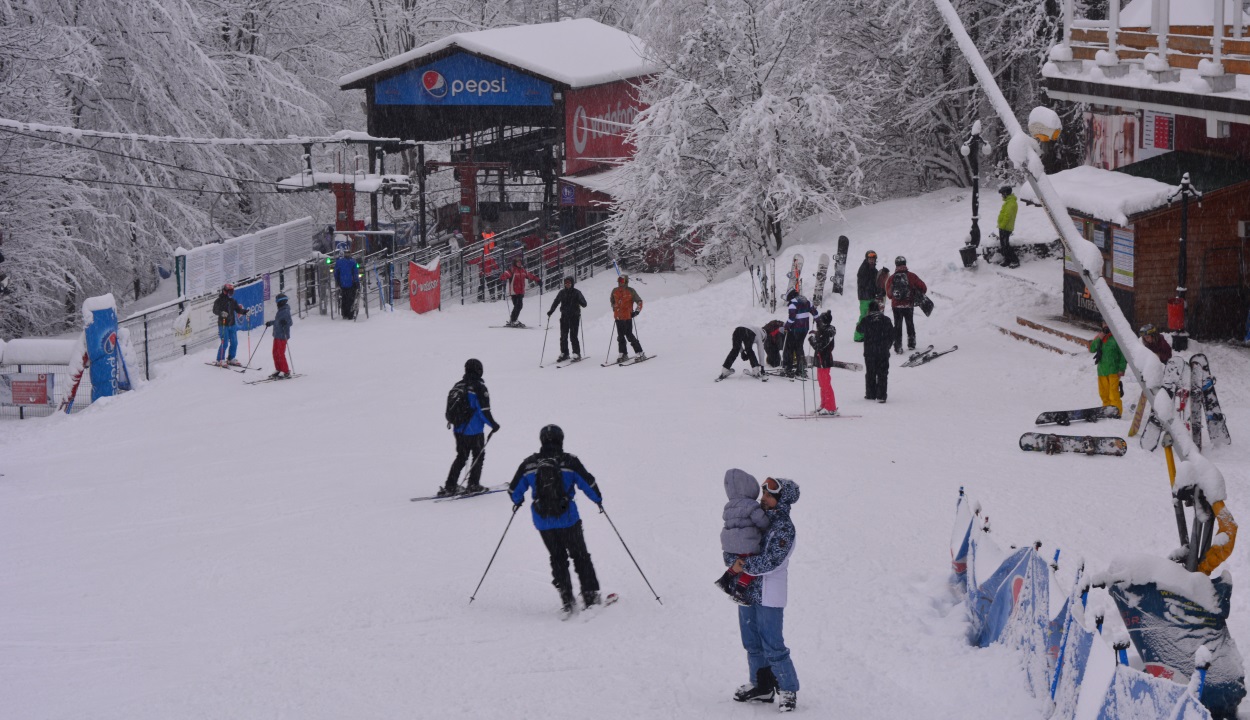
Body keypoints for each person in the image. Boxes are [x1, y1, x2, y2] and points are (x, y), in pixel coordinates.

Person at [508, 424, 604, 616]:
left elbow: (513, 490)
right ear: (561, 440)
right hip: (568, 518)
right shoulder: (570, 461)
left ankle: (567, 599)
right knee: (580, 556)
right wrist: (598, 500)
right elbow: (588, 483)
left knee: (557, 557)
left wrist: (518, 501)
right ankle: (590, 595)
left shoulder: (529, 464)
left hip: (543, 521)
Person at [728, 476, 801, 712]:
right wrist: (733, 559)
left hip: (770, 593)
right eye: (763, 492)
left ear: (781, 500)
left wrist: (743, 565)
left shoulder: (784, 528)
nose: (763, 498)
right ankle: (761, 685)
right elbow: (738, 543)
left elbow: (772, 561)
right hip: (747, 590)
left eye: (769, 494)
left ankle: (787, 689)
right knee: (751, 642)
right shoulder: (756, 520)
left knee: (772, 644)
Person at [439, 358, 500, 497]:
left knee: (461, 456)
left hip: (458, 429)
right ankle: (473, 484)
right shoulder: (479, 387)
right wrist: (494, 425)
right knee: (478, 456)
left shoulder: (458, 385)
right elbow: (483, 411)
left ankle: (450, 485)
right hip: (474, 430)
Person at [716, 468, 771, 604]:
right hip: (746, 541)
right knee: (749, 565)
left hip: (730, 542)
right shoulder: (751, 505)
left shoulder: (728, 505)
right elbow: (761, 521)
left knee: (739, 561)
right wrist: (767, 526)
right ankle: (739, 591)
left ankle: (725, 579)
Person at [885, 256, 927, 354]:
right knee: (910, 324)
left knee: (898, 326)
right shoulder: (912, 276)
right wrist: (916, 293)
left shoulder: (891, 278)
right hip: (908, 305)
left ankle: (898, 347)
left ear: (896, 264)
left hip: (896, 306)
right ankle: (911, 344)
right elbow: (923, 288)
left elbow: (889, 295)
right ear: (905, 263)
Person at [856, 301, 894, 403]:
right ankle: (881, 395)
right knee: (883, 373)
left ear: (869, 310)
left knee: (870, 373)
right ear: (879, 309)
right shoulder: (886, 320)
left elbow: (859, 329)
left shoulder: (866, 320)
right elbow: (892, 335)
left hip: (870, 352)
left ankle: (870, 394)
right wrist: (887, 346)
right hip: (883, 352)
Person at [1089, 323, 1127, 414]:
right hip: (1102, 371)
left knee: (1113, 394)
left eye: (1107, 323)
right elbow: (1092, 349)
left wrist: (1122, 368)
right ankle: (1106, 412)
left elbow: (1123, 355)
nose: (1106, 325)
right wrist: (1099, 338)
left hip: (1113, 371)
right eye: (1104, 323)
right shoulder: (1099, 337)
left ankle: (1116, 412)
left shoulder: (1117, 337)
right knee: (1104, 394)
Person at [548, 275, 587, 361]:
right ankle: (564, 353)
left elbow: (584, 303)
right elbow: (556, 302)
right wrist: (551, 311)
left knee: (573, 336)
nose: (567, 284)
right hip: (564, 317)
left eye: (569, 283)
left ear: (572, 283)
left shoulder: (577, 292)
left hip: (574, 317)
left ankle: (576, 353)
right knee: (563, 336)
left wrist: (580, 301)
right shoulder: (562, 293)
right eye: (566, 283)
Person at [808, 311, 839, 415]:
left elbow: (820, 346)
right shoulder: (824, 331)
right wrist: (815, 334)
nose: (818, 323)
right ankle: (824, 404)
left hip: (824, 360)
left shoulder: (828, 331)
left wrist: (812, 340)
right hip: (820, 360)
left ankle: (831, 407)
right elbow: (821, 340)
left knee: (826, 384)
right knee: (822, 384)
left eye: (820, 321)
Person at [211, 283, 249, 367]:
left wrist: (245, 311)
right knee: (224, 343)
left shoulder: (233, 301)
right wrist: (221, 313)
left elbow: (238, 310)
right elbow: (214, 310)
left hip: (232, 324)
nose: (231, 294)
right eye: (230, 292)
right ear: (225, 291)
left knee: (234, 342)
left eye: (232, 292)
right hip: (223, 325)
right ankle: (220, 359)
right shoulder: (219, 301)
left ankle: (231, 358)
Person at [609, 275, 645, 363]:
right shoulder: (615, 290)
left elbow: (639, 301)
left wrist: (636, 311)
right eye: (619, 280)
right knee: (620, 337)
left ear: (625, 281)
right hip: (618, 317)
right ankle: (623, 353)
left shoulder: (631, 291)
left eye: (622, 281)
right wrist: (615, 308)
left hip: (627, 317)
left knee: (629, 335)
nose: (620, 282)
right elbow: (612, 300)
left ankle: (640, 352)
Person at [499, 257, 541, 327]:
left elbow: (530, 276)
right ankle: (514, 320)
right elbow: (504, 275)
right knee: (518, 306)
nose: (519, 263)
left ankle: (512, 320)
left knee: (518, 306)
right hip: (514, 291)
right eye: (517, 262)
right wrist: (503, 280)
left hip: (521, 291)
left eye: (520, 262)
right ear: (515, 263)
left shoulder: (523, 270)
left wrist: (538, 280)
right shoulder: (512, 270)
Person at [782, 289, 812, 378]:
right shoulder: (806, 301)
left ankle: (788, 368)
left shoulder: (793, 304)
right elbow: (814, 311)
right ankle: (801, 369)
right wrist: (817, 320)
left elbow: (791, 318)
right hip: (805, 328)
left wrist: (786, 326)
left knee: (789, 347)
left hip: (796, 329)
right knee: (799, 347)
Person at [264, 292, 292, 379]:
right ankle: (278, 369)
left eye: (277, 302)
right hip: (277, 335)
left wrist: (286, 322)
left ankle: (286, 371)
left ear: (281, 302)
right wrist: (271, 323)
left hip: (282, 336)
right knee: (275, 353)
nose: (277, 304)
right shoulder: (281, 310)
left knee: (280, 353)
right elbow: (278, 321)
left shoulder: (286, 311)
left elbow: (290, 322)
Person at [853, 250, 879, 342]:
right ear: (867, 259)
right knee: (864, 316)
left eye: (873, 259)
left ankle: (867, 334)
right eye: (870, 259)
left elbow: (876, 283)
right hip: (864, 297)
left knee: (871, 316)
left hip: (871, 296)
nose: (872, 260)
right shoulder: (864, 269)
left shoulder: (874, 269)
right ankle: (858, 335)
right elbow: (864, 283)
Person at [996, 186, 1021, 268]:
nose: (1001, 196)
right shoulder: (1008, 202)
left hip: (1006, 228)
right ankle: (1008, 260)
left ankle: (1015, 261)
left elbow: (1007, 216)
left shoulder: (1011, 203)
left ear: (1006, 193)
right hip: (1004, 227)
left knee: (1006, 246)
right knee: (1004, 245)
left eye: (1002, 194)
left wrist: (1002, 226)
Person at [333, 251, 359, 320]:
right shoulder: (353, 262)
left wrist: (338, 281)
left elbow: (335, 273)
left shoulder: (339, 262)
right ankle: (350, 314)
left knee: (344, 299)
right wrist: (357, 283)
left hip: (342, 284)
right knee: (350, 299)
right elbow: (355, 273)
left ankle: (344, 314)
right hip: (351, 284)